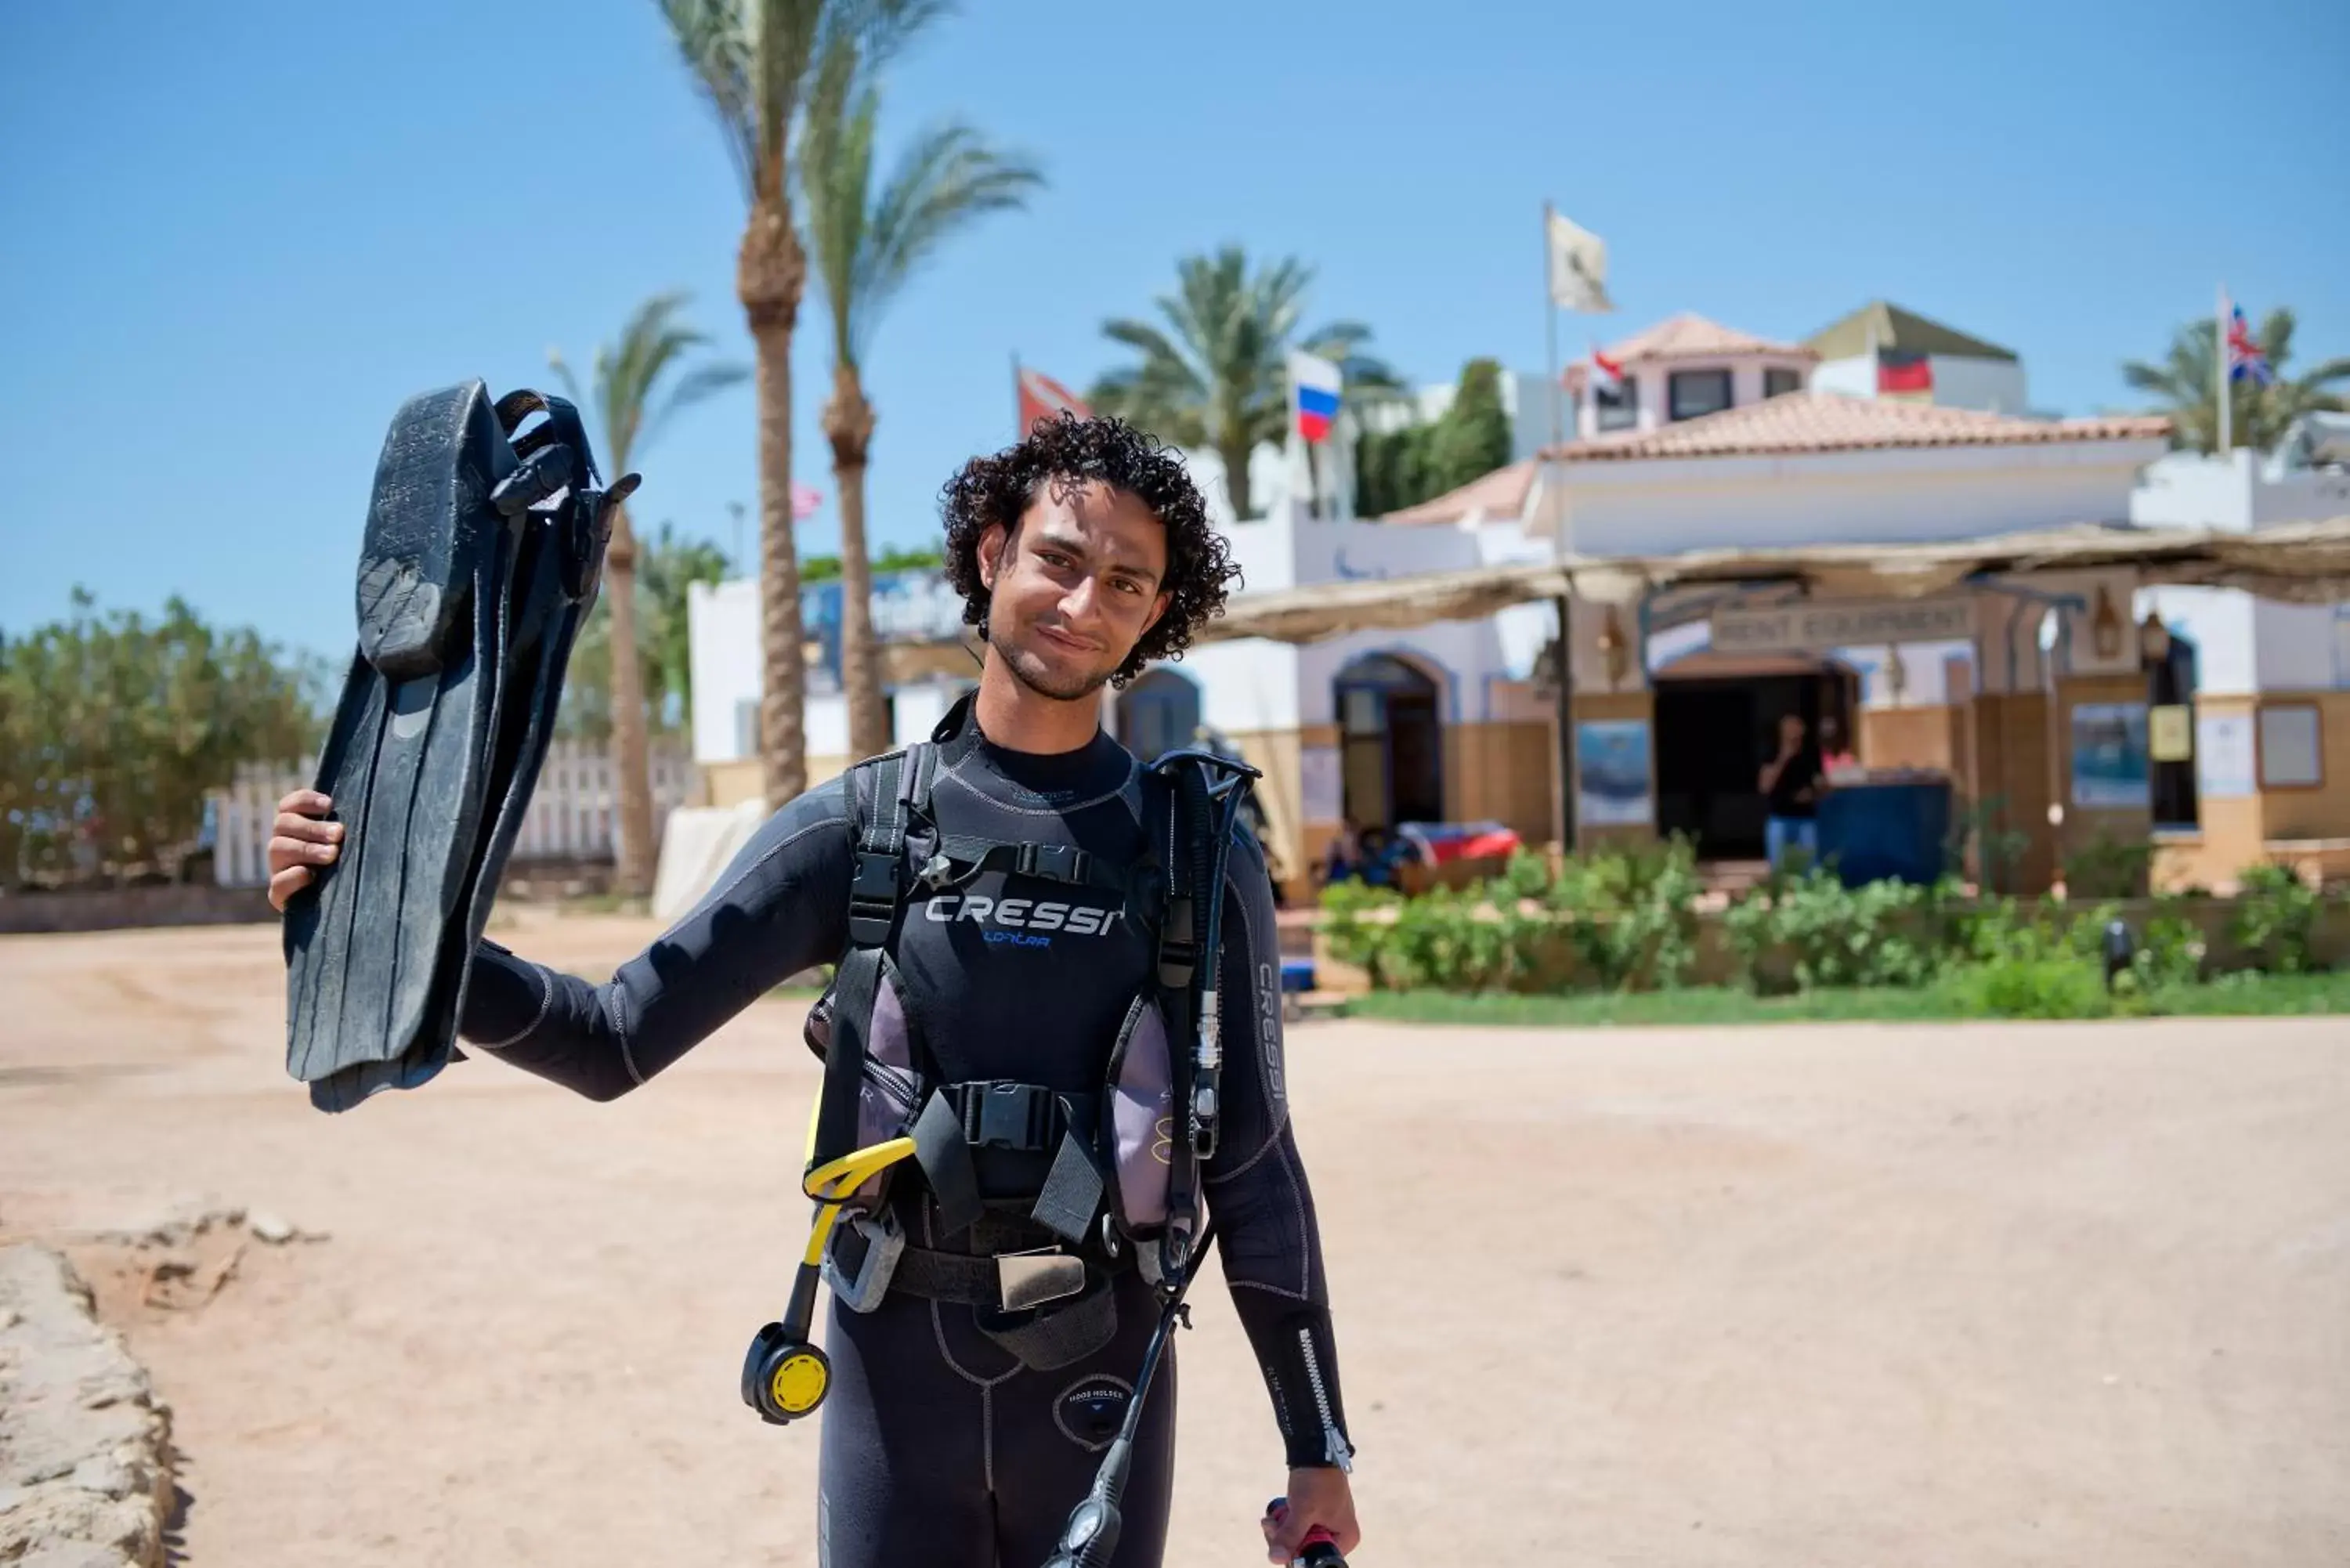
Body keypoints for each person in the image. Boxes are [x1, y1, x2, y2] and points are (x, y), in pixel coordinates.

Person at [266, 416, 1361, 1568]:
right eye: (1060, 558)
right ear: (993, 552)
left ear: (1155, 612)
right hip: (895, 1377)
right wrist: (395, 928)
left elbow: (1252, 1165)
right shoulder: (865, 827)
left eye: (1126, 581)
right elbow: (613, 1039)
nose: (1085, 602)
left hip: (1099, 1376)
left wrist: (1317, 1444)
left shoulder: (1194, 850)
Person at [1758, 711, 1824, 869]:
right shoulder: (1772, 754)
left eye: (1798, 734)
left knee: (1810, 867)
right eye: (1790, 733)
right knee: (1779, 867)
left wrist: (1814, 794)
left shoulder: (1811, 754)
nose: (1795, 738)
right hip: (1780, 818)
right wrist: (1784, 758)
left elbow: (1822, 786)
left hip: (1806, 819)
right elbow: (1765, 787)